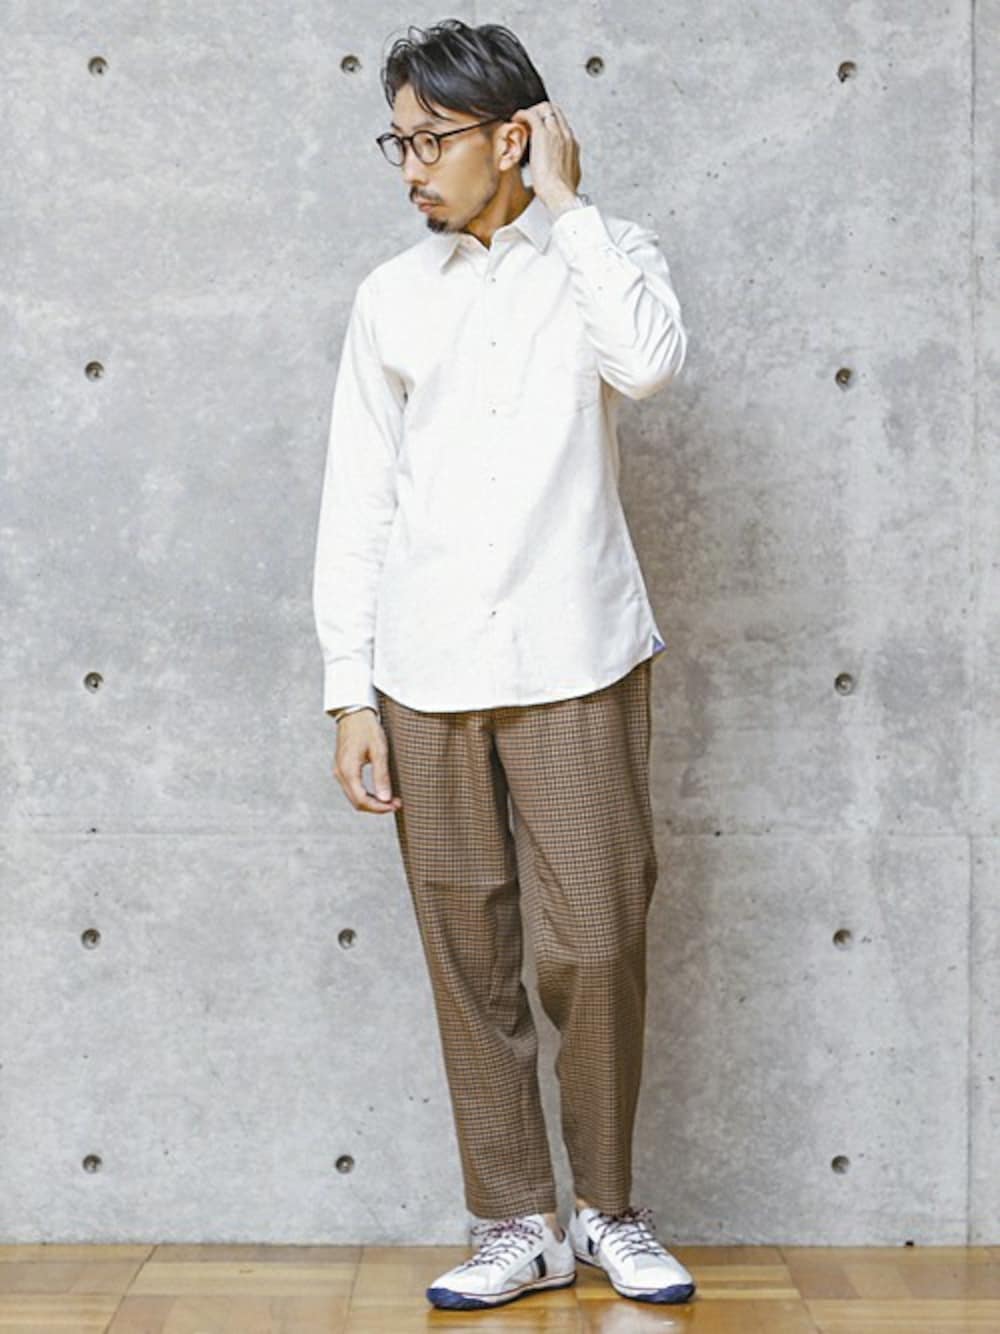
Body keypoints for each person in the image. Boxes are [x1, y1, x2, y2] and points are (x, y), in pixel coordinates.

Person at [311, 17, 695, 1313]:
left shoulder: (606, 256)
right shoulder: (390, 297)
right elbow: (358, 501)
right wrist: (349, 690)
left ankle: (610, 1211)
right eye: (398, 143)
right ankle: (515, 1221)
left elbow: (649, 367)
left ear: (515, 135)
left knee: (596, 944)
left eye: (433, 140)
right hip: (422, 674)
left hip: (576, 654)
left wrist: (571, 210)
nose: (411, 167)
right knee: (468, 958)